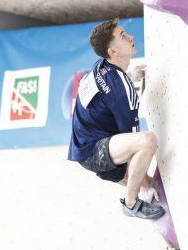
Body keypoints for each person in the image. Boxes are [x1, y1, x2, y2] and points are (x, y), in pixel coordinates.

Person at [67, 18, 164, 220]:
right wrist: (133, 179)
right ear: (113, 52)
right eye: (123, 36)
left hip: (85, 146)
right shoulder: (122, 92)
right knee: (147, 142)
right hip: (94, 149)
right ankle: (130, 203)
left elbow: (110, 88)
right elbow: (133, 141)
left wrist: (129, 76)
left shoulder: (101, 66)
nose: (130, 37)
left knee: (148, 186)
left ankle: (174, 247)